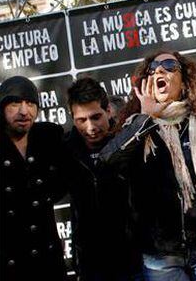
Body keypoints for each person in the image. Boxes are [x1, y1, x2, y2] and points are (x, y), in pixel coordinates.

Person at [99, 50, 196, 281]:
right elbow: (107, 164)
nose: (159, 70)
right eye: (153, 68)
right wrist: (145, 118)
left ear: (185, 79)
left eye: (169, 65)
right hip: (161, 253)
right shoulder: (136, 124)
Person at [65, 77, 141, 281]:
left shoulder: (130, 140)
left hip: (135, 260)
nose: (90, 127)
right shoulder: (66, 150)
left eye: (96, 117)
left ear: (109, 111)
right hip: (92, 266)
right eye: (81, 120)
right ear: (73, 118)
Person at [0, 76, 67, 280]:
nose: (24, 111)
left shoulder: (49, 138)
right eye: (15, 103)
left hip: (47, 261)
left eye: (30, 103)